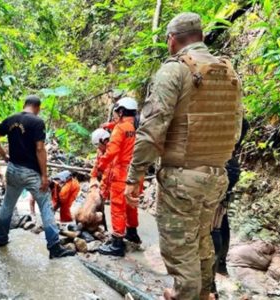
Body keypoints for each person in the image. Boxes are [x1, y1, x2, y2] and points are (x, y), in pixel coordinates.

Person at [124, 12, 243, 300]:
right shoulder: (228, 71)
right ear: (201, 37)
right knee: (202, 240)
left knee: (179, 248)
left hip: (182, 177)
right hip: (217, 175)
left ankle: (185, 294)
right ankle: (204, 293)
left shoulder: (174, 70)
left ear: (172, 40)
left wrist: (134, 176)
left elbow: (152, 128)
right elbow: (236, 126)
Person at [0, 95, 76, 259]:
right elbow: (39, 149)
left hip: (13, 169)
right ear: (37, 107)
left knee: (7, 204)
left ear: (25, 105)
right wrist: (44, 175)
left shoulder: (11, 119)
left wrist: (3, 155)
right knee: (45, 205)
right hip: (30, 172)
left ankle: (1, 239)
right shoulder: (37, 122)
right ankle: (54, 247)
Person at [97, 97, 142, 257]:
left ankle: (117, 243)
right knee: (131, 205)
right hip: (137, 174)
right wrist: (108, 126)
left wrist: (100, 167)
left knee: (117, 207)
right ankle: (132, 233)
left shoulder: (121, 128)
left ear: (121, 111)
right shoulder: (137, 127)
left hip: (122, 174)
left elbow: (112, 152)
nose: (114, 116)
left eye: (116, 113)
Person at [211, 118, 249, 296]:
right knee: (221, 217)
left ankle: (210, 281)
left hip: (221, 165)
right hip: (231, 164)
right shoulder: (241, 121)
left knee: (213, 224)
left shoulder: (222, 115)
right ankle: (221, 264)